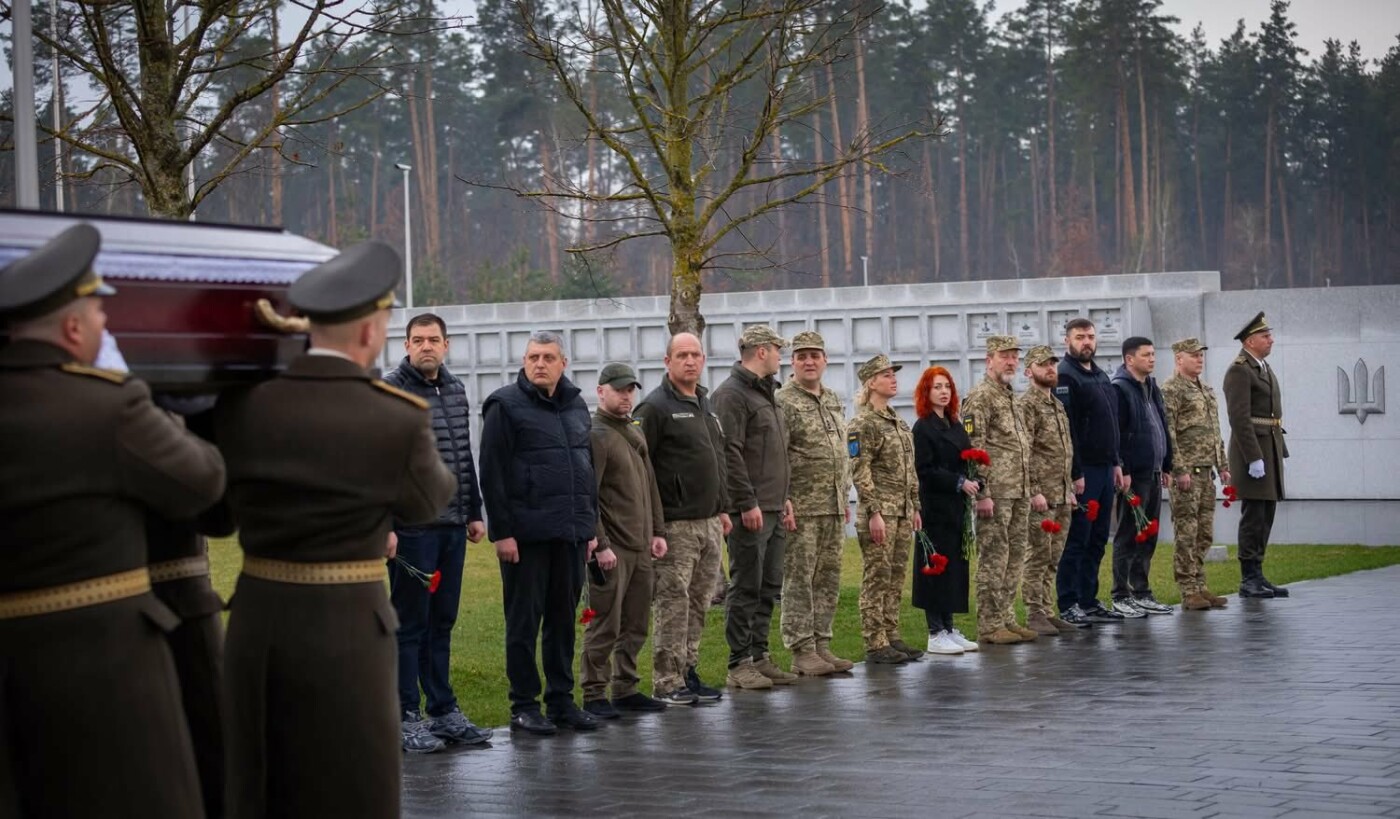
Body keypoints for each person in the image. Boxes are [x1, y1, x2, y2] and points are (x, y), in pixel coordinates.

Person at [215, 240, 456, 818]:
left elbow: (216, 513)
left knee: (258, 776)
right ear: (372, 333)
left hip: (257, 616)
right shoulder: (394, 415)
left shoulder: (244, 404)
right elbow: (428, 500)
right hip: (347, 619)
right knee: (353, 781)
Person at [0, 223, 226, 818]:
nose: (107, 327)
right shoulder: (109, 406)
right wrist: (139, 396)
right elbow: (203, 481)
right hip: (110, 668)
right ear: (73, 328)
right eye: (100, 316)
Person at [480, 330, 601, 733]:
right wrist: (503, 533)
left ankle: (562, 701)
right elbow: (492, 474)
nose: (539, 364)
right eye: (533, 357)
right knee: (523, 623)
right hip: (526, 537)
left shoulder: (576, 406)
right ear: (524, 361)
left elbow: (586, 472)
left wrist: (589, 528)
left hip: (569, 534)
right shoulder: (504, 405)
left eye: (548, 357)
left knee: (563, 622)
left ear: (563, 363)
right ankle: (524, 705)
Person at [382, 312, 491, 751]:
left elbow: (464, 455)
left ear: (446, 345)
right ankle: (404, 714)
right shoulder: (392, 390)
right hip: (412, 529)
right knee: (409, 624)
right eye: (418, 340)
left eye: (433, 339)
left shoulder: (456, 390)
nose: (426, 346)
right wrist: (386, 524)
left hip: (451, 526)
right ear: (407, 345)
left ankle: (443, 710)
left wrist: (474, 510)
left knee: (441, 622)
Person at [634, 332, 729, 705]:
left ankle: (688, 670)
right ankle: (667, 679)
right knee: (673, 602)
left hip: (708, 521)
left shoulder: (705, 403)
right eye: (682, 355)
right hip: (675, 524)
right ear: (667, 361)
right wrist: (654, 524)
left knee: (699, 601)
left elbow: (714, 460)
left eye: (696, 355)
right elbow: (642, 468)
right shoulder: (655, 408)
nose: (690, 361)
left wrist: (722, 507)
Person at [581, 363, 669, 718]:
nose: (625, 396)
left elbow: (650, 486)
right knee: (605, 621)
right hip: (613, 549)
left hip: (641, 545)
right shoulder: (597, 434)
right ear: (601, 391)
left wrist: (658, 532)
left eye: (630, 390)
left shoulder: (633, 431)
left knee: (635, 622)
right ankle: (593, 693)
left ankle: (626, 687)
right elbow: (589, 495)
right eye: (618, 390)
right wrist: (600, 544)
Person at [713, 324, 795, 689]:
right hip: (751, 509)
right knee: (746, 585)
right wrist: (746, 502)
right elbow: (728, 452)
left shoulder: (766, 393)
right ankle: (738, 662)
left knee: (768, 584)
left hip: (774, 505)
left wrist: (784, 498)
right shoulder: (731, 395)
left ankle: (760, 656)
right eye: (778, 349)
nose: (781, 355)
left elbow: (772, 453)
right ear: (761, 351)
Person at [775, 330, 854, 676]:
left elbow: (841, 450)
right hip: (802, 508)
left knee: (827, 579)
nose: (809, 361)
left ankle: (822, 643)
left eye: (815, 355)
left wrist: (845, 494)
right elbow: (778, 455)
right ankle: (801, 649)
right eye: (802, 355)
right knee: (799, 580)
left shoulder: (833, 398)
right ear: (792, 362)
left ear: (825, 360)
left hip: (833, 504)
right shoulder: (784, 401)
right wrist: (784, 499)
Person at [849, 353, 924, 663]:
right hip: (880, 513)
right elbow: (860, 468)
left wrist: (915, 506)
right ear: (871, 382)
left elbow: (909, 469)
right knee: (876, 576)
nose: (893, 378)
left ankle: (891, 634)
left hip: (903, 511)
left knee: (895, 577)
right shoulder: (863, 421)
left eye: (893, 374)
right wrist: (874, 511)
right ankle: (875, 641)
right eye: (886, 374)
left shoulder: (896, 419)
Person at [962, 336, 1036, 645]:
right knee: (994, 557)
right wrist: (983, 492)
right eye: (1004, 356)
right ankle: (989, 625)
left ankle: (1006, 617)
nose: (1011, 362)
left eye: (1015, 357)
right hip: (996, 492)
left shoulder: (1009, 396)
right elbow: (973, 448)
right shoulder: (981, 398)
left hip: (1018, 489)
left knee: (1014, 556)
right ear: (988, 359)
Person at [1054, 318, 1128, 626]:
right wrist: (1075, 472)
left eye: (1091, 337)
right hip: (1083, 471)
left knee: (1098, 539)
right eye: (1080, 337)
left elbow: (1110, 425)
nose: (1087, 342)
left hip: (1105, 468)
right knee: (1078, 539)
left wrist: (1117, 463)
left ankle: (1089, 599)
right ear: (1067, 341)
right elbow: (1067, 429)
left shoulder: (1098, 374)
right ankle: (1069, 602)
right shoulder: (1065, 376)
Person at [911, 366, 981, 655]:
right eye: (937, 387)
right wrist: (958, 482)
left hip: (957, 507)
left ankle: (949, 626)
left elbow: (965, 457)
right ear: (926, 393)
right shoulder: (924, 427)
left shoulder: (954, 423)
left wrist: (975, 479)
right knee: (935, 565)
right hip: (935, 506)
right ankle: (935, 630)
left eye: (947, 387)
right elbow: (924, 470)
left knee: (953, 566)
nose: (943, 392)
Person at [1015, 345, 1081, 636]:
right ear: (1029, 371)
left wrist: (1069, 488)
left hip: (1061, 492)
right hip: (1041, 495)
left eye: (1053, 364)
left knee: (1054, 555)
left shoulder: (1057, 404)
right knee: (1038, 554)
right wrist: (1035, 490)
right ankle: (1034, 613)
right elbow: (1025, 452)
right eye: (1044, 365)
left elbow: (1063, 451)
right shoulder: (1026, 405)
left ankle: (1047, 608)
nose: (1051, 369)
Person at [1222, 313, 1289, 598]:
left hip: (1269, 447)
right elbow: (1239, 417)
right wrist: (1253, 457)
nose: (1270, 340)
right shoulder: (1240, 370)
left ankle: (1258, 573)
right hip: (1253, 452)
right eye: (1265, 336)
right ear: (1251, 341)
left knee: (1266, 514)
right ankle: (1248, 579)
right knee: (1253, 516)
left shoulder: (1261, 366)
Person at [1162, 338, 1231, 611]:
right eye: (1193, 355)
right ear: (1179, 359)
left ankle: (1201, 584)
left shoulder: (1206, 390)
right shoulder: (1172, 390)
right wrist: (1178, 469)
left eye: (1201, 355)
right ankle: (1188, 589)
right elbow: (1170, 433)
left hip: (1207, 473)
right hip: (1187, 473)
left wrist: (1223, 466)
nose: (1199, 359)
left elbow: (1215, 433)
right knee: (1187, 532)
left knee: (1204, 533)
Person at [1109, 337, 1175, 617]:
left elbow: (1161, 424)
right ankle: (1120, 594)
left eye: (1153, 354)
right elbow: (1116, 433)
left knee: (1148, 535)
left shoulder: (1151, 387)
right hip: (1133, 475)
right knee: (1128, 534)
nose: (1152, 359)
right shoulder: (1121, 389)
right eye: (1145, 355)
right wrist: (1122, 468)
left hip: (1154, 471)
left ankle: (1142, 590)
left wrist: (1168, 464)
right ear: (1129, 359)